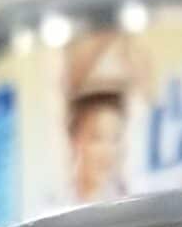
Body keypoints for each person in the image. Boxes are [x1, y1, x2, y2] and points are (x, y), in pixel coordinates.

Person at [62, 32, 147, 204]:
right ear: (76, 140)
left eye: (115, 139)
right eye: (96, 138)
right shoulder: (56, 202)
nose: (107, 151)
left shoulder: (132, 196)